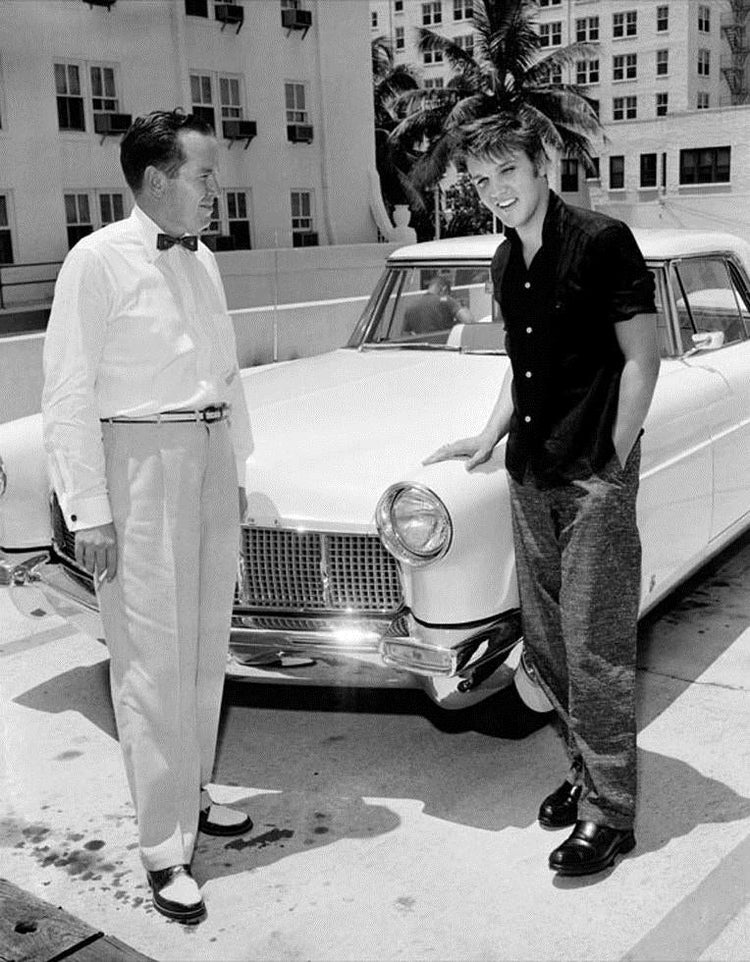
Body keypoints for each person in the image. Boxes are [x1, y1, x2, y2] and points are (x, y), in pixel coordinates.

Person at [425, 112, 660, 877]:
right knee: (551, 640)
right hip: (530, 471)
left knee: (597, 646)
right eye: (482, 181)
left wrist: (613, 460)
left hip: (591, 473)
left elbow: (642, 357)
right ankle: (585, 771)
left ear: (543, 162)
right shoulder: (502, 260)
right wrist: (488, 435)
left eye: (508, 174)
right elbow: (521, 365)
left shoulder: (600, 241)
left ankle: (610, 813)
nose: (497, 193)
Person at [42, 110, 255, 923]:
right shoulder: (96, 262)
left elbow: (222, 367)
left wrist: (234, 460)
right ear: (158, 179)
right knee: (149, 660)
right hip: (137, 463)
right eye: (205, 176)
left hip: (205, 457)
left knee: (203, 646)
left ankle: (192, 795)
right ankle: (165, 848)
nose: (216, 191)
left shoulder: (203, 262)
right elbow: (65, 392)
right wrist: (88, 511)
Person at [403, 274, 472, 335]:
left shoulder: (410, 307)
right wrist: (462, 307)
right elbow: (469, 322)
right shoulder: (445, 300)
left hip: (421, 348)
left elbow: (404, 335)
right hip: (445, 347)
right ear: (444, 289)